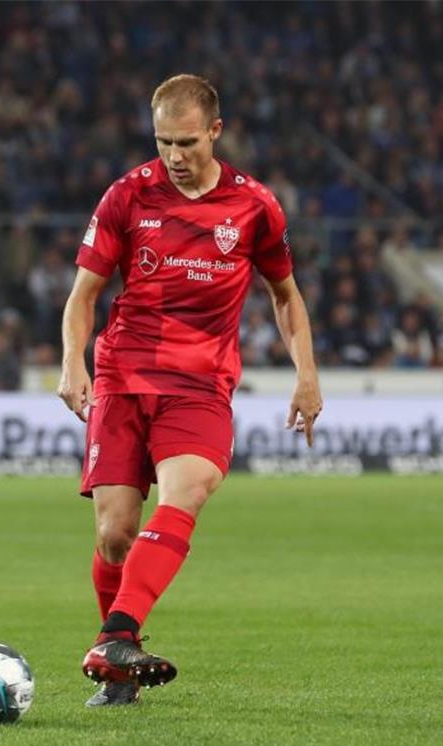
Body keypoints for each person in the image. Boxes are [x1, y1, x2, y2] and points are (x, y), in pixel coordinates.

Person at [57, 74, 324, 708]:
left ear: (215, 131)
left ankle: (116, 638)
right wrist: (72, 360)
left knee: (190, 490)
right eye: (162, 142)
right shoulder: (127, 196)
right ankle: (119, 671)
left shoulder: (255, 206)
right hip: (123, 376)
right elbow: (82, 297)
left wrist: (307, 373)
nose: (174, 157)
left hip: (200, 384)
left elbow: (285, 298)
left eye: (185, 142)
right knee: (115, 534)